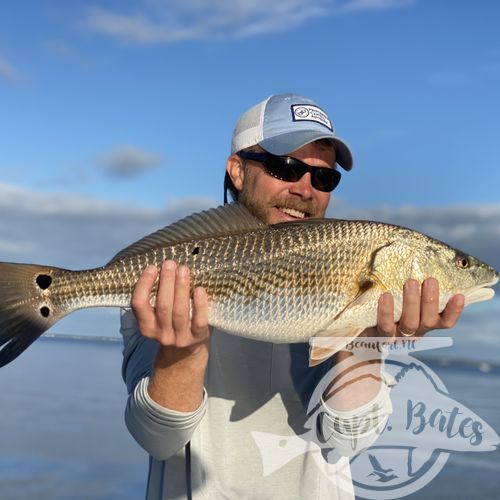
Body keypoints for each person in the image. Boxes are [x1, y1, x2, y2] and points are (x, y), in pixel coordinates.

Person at [120, 93, 465, 499]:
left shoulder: (348, 272)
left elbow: (351, 437)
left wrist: (362, 340)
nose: (306, 189)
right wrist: (183, 353)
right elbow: (158, 439)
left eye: (324, 178)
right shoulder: (164, 278)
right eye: (286, 167)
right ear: (237, 170)